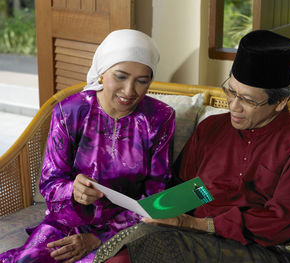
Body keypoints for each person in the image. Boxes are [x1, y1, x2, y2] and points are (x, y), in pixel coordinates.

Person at [93, 30, 290, 263]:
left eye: (247, 100)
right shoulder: (212, 129)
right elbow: (184, 188)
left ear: (280, 102)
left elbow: (281, 221)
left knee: (148, 246)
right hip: (195, 238)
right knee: (135, 241)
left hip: (267, 249)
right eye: (231, 92)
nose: (234, 107)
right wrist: (139, 207)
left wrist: (195, 224)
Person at [0, 29, 175, 263]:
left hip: (124, 228)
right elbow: (50, 183)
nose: (130, 91)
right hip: (66, 222)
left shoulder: (159, 118)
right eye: (121, 76)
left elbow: (156, 195)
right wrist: (72, 189)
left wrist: (100, 236)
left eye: (142, 81)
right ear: (102, 72)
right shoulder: (70, 111)